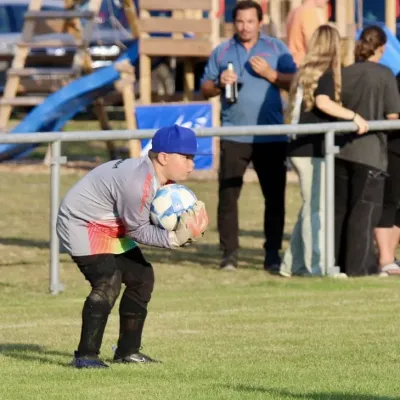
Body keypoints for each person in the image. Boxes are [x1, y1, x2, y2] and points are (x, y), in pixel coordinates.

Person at [57, 125, 209, 368]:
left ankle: (127, 352)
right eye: (187, 158)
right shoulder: (141, 181)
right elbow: (137, 229)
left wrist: (184, 228)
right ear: (163, 157)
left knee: (142, 277)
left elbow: (138, 220)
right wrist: (174, 238)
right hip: (82, 223)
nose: (192, 164)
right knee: (108, 281)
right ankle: (85, 356)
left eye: (193, 158)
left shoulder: (161, 179)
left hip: (112, 225)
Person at [200, 0, 297, 272]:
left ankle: (272, 255)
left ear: (260, 22)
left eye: (250, 21)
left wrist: (271, 74)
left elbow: (295, 82)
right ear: (234, 23)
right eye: (240, 21)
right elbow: (204, 88)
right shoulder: (222, 51)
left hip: (271, 135)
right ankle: (229, 254)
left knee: (274, 198)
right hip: (233, 134)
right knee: (228, 196)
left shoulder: (277, 49)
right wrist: (219, 83)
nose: (245, 27)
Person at [281, 25, 368, 277]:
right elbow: (323, 102)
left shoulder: (304, 72)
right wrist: (354, 117)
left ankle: (292, 265)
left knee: (310, 206)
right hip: (311, 149)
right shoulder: (326, 74)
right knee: (316, 209)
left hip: (300, 146)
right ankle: (317, 266)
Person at [333, 26, 400, 276]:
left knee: (341, 211)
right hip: (371, 153)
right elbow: (393, 116)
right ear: (381, 49)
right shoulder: (384, 75)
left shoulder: (346, 73)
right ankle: (359, 267)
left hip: (341, 150)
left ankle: (337, 263)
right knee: (365, 212)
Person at [374, 72, 400, 275]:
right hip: (395, 148)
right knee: (390, 201)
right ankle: (385, 258)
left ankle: (389, 256)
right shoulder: (396, 79)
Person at [286, 0, 328, 66]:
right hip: (305, 65)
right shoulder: (309, 12)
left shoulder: (294, 11)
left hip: (293, 62)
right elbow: (312, 45)